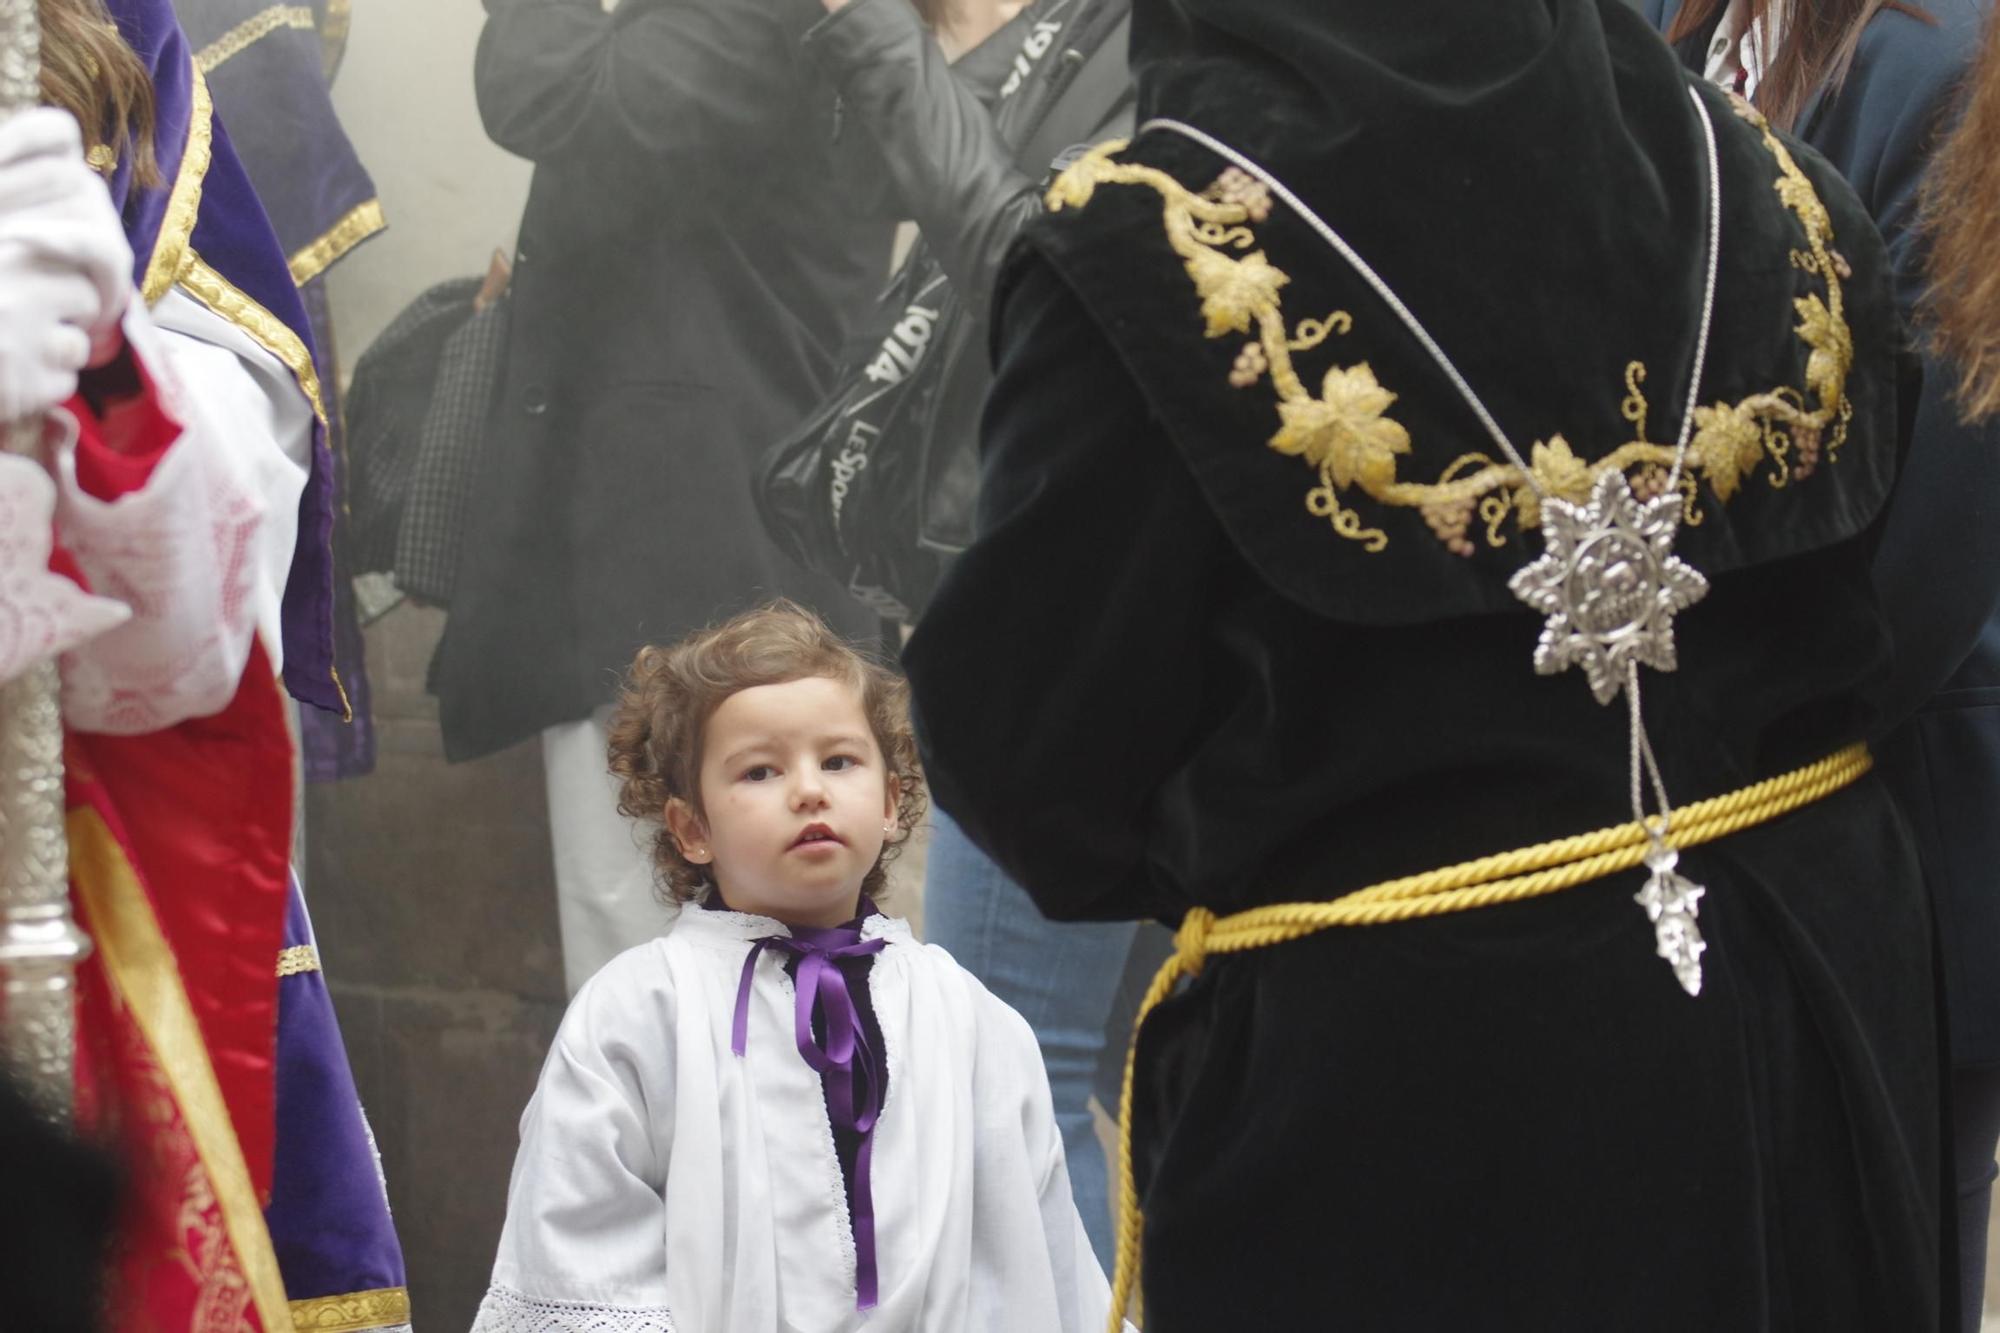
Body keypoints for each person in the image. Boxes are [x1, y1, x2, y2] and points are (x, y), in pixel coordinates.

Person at [906, 1, 1952, 1328]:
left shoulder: (1147, 244)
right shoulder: (1783, 186)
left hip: (1423, 1084)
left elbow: (1031, 753)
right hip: (1809, 1007)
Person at [1640, 2, 2000, 1326]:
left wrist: (1721, 739)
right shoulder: (1669, 30)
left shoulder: (1948, 59)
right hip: (1700, 805)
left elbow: (1939, 547)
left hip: (1887, 818)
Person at [471, 602, 1120, 1332]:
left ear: (890, 803)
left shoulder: (967, 1016)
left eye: (838, 760)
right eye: (760, 769)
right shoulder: (638, 1012)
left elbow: (1035, 1252)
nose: (809, 788)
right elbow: (583, 1238)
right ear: (692, 828)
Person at [440, 0, 896, 994]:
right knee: (674, 981)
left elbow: (547, 91)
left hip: (701, 560)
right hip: (688, 551)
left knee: (672, 975)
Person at [802, 0, 1153, 1265]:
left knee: (1008, 1085)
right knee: (1092, 1078)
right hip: (1062, 583)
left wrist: (888, 46)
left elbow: (1039, 280)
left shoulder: (1172, 36)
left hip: (1087, 604)